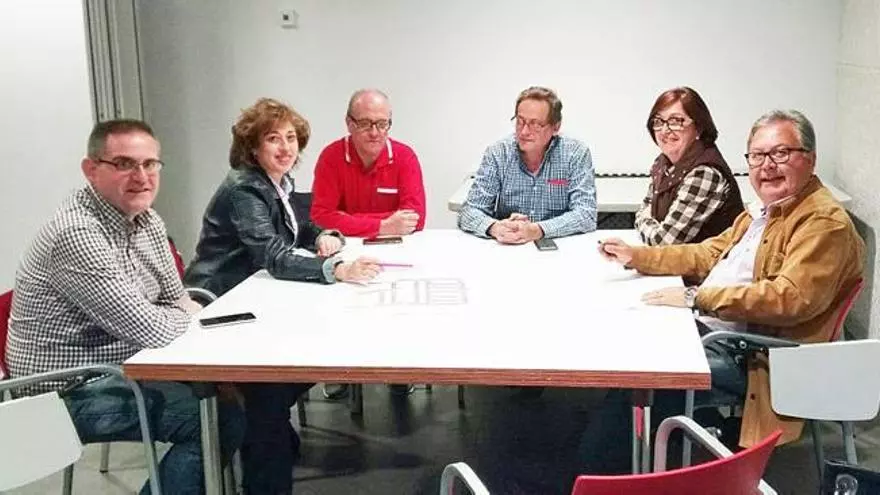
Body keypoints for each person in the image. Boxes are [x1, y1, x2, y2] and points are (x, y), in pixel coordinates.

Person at [581, 110, 865, 474]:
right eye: (757, 156)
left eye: (780, 153)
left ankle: (604, 470)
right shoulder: (766, 211)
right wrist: (638, 257)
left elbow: (788, 298)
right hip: (720, 332)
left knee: (647, 370)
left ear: (809, 159)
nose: (767, 166)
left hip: (757, 356)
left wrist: (695, 298)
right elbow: (709, 253)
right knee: (625, 341)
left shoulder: (823, 223)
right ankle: (625, 453)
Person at [6, 119, 245, 495]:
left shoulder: (146, 219)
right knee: (215, 420)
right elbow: (153, 328)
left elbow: (174, 297)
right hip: (67, 389)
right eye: (124, 164)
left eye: (150, 164)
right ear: (91, 169)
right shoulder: (77, 234)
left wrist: (170, 313)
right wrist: (176, 314)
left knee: (233, 394)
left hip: (122, 365)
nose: (142, 176)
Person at [184, 97, 380, 494]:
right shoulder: (244, 188)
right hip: (221, 306)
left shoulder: (276, 183)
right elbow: (272, 254)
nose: (286, 147)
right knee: (273, 387)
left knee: (298, 368)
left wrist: (324, 235)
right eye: (274, 138)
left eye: (291, 138)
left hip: (257, 298)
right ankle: (262, 455)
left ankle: (261, 430)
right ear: (253, 147)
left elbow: (298, 228)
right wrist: (335, 269)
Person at [458, 86, 597, 243]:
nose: (524, 132)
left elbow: (586, 215)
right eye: (520, 121)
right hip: (509, 246)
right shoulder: (498, 153)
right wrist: (495, 227)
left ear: (556, 127)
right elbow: (470, 211)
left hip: (559, 246)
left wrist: (537, 230)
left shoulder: (575, 154)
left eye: (535, 124)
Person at [311, 88, 427, 238]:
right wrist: (382, 226)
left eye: (382, 124)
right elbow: (320, 218)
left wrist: (346, 219)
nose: (374, 133)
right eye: (365, 123)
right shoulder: (331, 157)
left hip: (396, 244)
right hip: (346, 245)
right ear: (349, 123)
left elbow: (416, 219)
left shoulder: (405, 157)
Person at [635, 87, 744, 245]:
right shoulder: (663, 164)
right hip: (676, 260)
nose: (664, 130)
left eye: (675, 121)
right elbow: (642, 213)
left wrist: (644, 223)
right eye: (658, 122)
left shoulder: (704, 173)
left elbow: (664, 242)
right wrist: (645, 221)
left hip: (716, 261)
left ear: (699, 127)